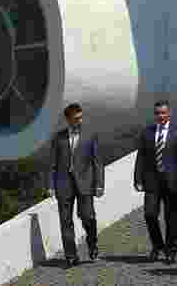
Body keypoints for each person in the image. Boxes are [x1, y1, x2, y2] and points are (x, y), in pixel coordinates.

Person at [133, 100, 177, 264]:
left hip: (172, 181)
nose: (161, 116)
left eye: (164, 113)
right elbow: (141, 157)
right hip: (151, 181)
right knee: (150, 214)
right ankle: (158, 245)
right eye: (158, 113)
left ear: (169, 113)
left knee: (171, 217)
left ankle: (171, 249)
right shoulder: (147, 132)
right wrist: (137, 178)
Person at [49, 103, 104, 267]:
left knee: (88, 217)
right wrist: (51, 185)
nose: (80, 120)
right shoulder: (58, 138)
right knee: (65, 221)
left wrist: (99, 184)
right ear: (68, 119)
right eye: (76, 118)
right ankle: (71, 255)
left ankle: (93, 245)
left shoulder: (90, 134)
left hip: (86, 183)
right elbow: (52, 164)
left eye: (81, 117)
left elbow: (97, 162)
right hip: (63, 184)